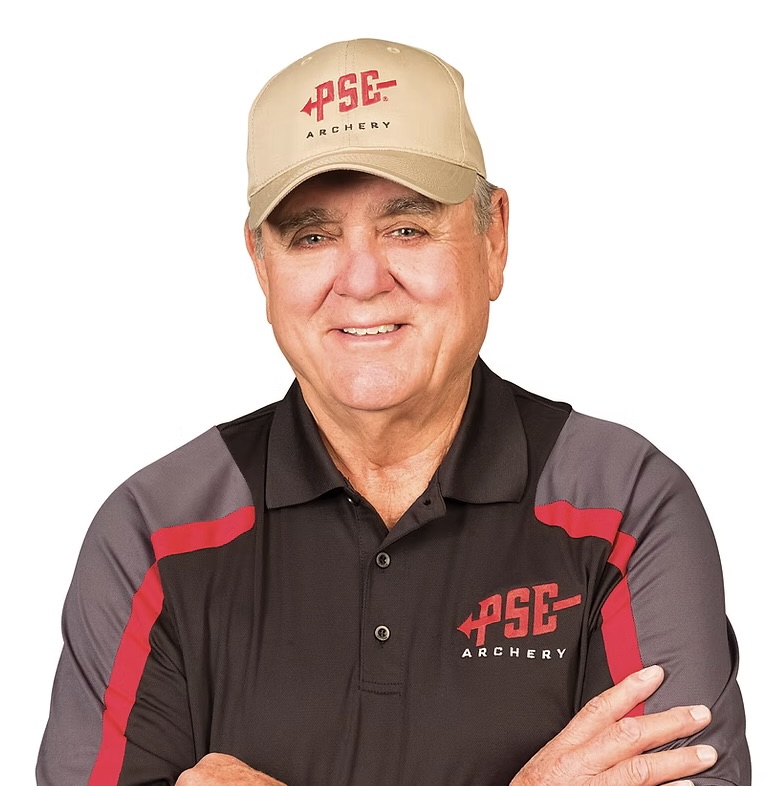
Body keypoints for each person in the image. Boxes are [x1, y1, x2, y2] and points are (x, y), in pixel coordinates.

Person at [37, 38, 749, 786]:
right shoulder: (154, 534)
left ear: (494, 238)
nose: (362, 278)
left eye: (406, 228)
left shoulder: (624, 506)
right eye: (312, 236)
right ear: (260, 265)